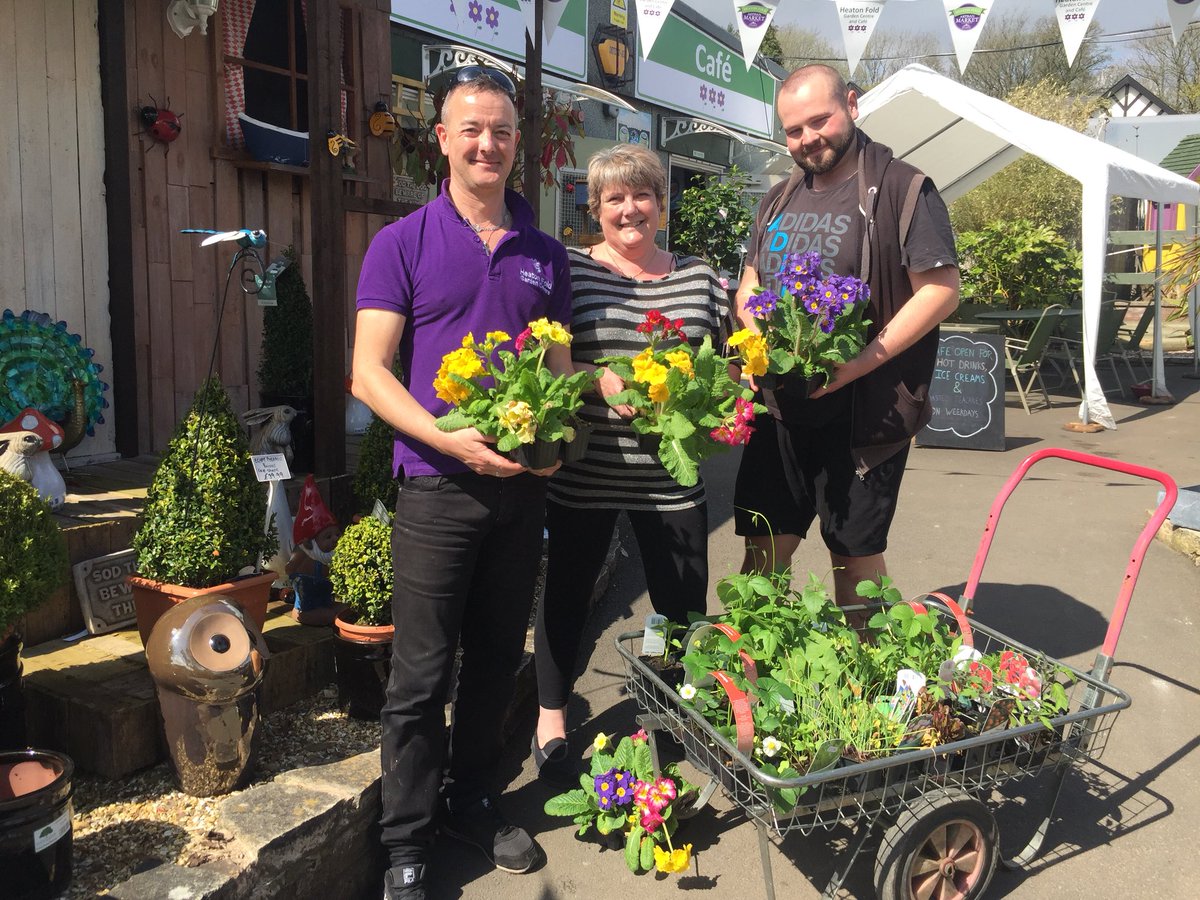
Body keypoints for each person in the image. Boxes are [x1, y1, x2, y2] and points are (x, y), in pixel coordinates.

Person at [351, 67, 573, 900]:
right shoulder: (401, 242)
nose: (488, 144)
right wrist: (446, 436)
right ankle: (405, 841)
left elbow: (559, 369)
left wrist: (557, 444)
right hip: (437, 488)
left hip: (521, 492)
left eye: (503, 131)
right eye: (472, 129)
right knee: (420, 674)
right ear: (441, 138)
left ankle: (472, 800)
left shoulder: (546, 254)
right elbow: (369, 373)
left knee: (494, 661)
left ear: (519, 144)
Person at [530, 145, 729, 782]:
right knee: (566, 595)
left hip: (672, 478)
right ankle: (551, 714)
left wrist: (714, 403)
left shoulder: (700, 277)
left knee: (680, 603)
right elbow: (546, 361)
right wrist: (598, 379)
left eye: (642, 195)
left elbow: (727, 366)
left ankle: (671, 704)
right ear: (595, 209)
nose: (629, 209)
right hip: (586, 473)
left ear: (662, 206)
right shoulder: (571, 271)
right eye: (614, 198)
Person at [733, 64, 959, 609]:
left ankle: (866, 661)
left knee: (855, 559)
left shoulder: (904, 188)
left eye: (820, 120)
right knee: (762, 550)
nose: (808, 138)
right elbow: (749, 285)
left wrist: (857, 363)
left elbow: (940, 290)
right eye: (794, 130)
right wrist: (761, 346)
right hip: (781, 409)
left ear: (852, 105)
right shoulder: (777, 199)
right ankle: (750, 659)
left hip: (864, 413)